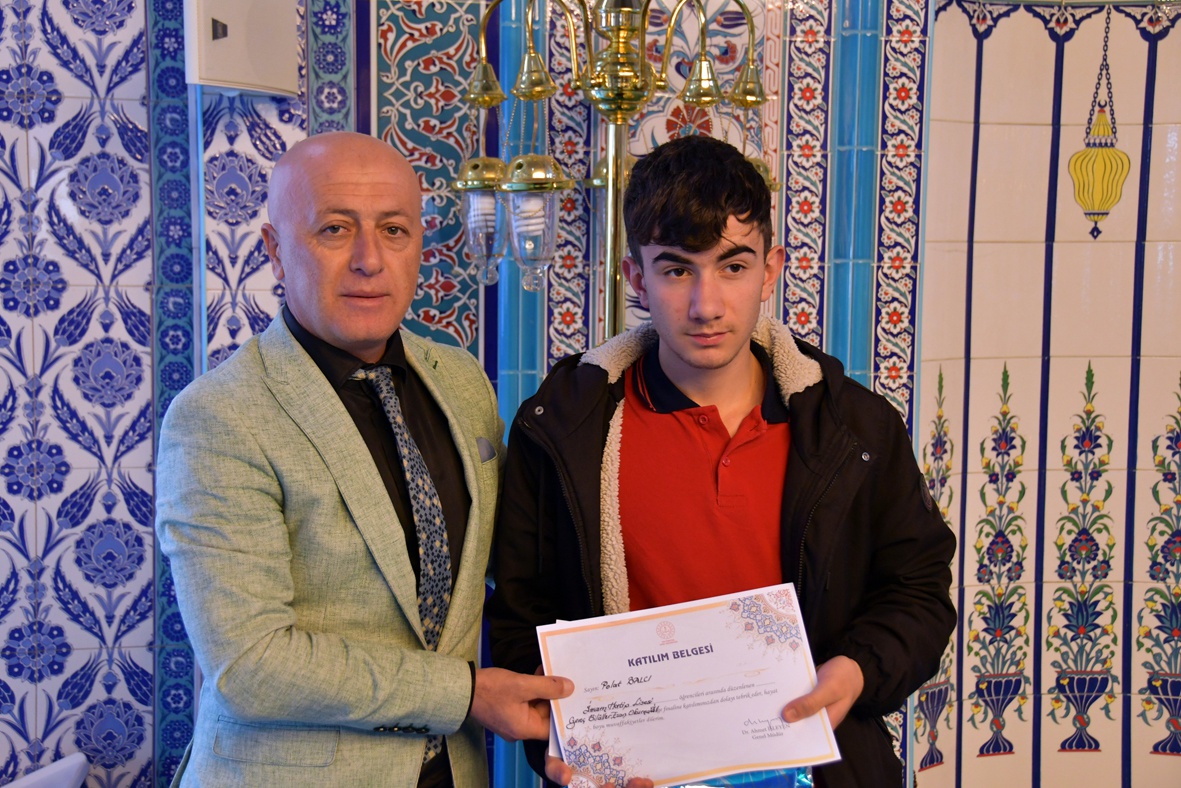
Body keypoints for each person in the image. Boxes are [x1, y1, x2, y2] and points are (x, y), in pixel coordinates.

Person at [487, 135, 956, 788]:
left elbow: (918, 591)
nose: (706, 305)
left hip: (819, 770)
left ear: (770, 269)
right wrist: (564, 740)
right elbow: (520, 617)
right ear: (635, 279)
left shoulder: (854, 428)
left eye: (732, 266)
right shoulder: (563, 429)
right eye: (677, 270)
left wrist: (856, 670)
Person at [156, 131, 571, 787]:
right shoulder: (220, 417)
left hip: (454, 773)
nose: (369, 260)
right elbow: (251, 666)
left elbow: (519, 563)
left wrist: (621, 696)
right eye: (335, 230)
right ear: (275, 250)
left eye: (393, 230)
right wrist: (465, 693)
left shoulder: (461, 383)